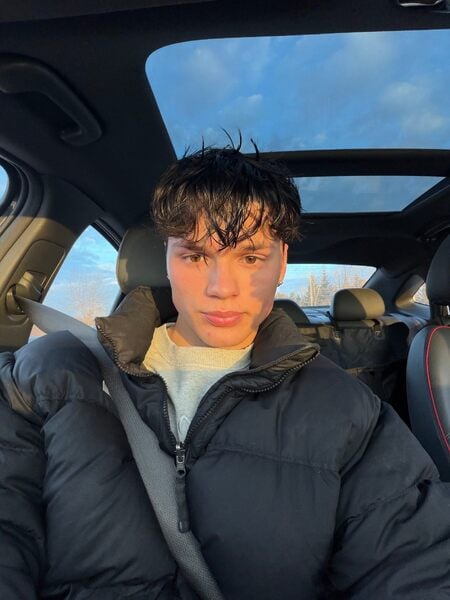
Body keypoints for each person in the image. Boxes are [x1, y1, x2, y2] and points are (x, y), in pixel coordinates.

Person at [0, 144, 449, 600]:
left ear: (281, 263)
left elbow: (414, 560)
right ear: (166, 257)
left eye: (250, 258)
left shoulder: (349, 413)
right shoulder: (50, 372)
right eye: (195, 256)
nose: (221, 288)